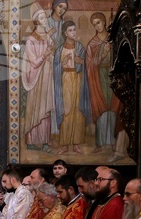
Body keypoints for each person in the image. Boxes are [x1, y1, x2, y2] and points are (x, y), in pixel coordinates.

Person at [53, 21, 90, 155]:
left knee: (78, 111)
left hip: (78, 78)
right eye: (70, 30)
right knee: (67, 110)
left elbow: (87, 64)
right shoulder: (59, 50)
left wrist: (82, 62)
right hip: (65, 80)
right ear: (65, 33)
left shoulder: (80, 47)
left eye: (74, 30)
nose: (73, 32)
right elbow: (55, 69)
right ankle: (64, 144)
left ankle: (76, 143)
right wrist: (62, 64)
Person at [22, 10, 56, 152]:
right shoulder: (31, 40)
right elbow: (34, 62)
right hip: (36, 79)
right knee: (35, 107)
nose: (45, 19)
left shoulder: (49, 38)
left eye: (45, 17)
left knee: (46, 109)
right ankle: (31, 141)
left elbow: (52, 57)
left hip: (47, 77)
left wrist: (50, 54)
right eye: (41, 17)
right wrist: (45, 54)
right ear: (36, 21)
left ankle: (45, 142)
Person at [86, 12, 117, 153]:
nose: (97, 26)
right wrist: (103, 53)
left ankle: (112, 141)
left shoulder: (113, 39)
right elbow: (91, 63)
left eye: (98, 22)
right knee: (102, 106)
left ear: (104, 22)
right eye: (94, 24)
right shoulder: (92, 43)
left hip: (112, 74)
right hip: (99, 77)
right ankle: (100, 143)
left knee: (112, 106)